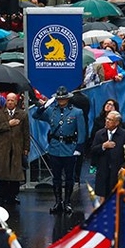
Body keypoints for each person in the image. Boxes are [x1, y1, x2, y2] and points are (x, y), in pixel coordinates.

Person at [35, 86, 85, 214]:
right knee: (56, 177)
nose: (61, 101)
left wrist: (79, 147)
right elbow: (36, 115)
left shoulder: (76, 112)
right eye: (59, 99)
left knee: (69, 177)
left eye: (63, 98)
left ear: (67, 99)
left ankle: (67, 202)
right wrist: (45, 105)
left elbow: (82, 132)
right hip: (55, 148)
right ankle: (58, 201)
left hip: (69, 147)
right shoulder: (52, 111)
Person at [0, 93, 30, 205]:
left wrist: (26, 148)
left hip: (17, 147)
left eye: (12, 100)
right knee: (3, 173)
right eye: (8, 100)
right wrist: (8, 124)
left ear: (16, 102)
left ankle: (13, 195)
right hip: (2, 148)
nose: (10, 102)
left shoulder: (22, 115)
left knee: (15, 173)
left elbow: (26, 132)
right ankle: (3, 196)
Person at [89, 110, 125, 198]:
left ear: (117, 123)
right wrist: (103, 146)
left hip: (118, 171)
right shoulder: (99, 134)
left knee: (116, 198)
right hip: (103, 171)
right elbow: (92, 150)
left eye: (110, 120)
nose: (107, 121)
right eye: (107, 119)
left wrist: (124, 167)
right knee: (102, 197)